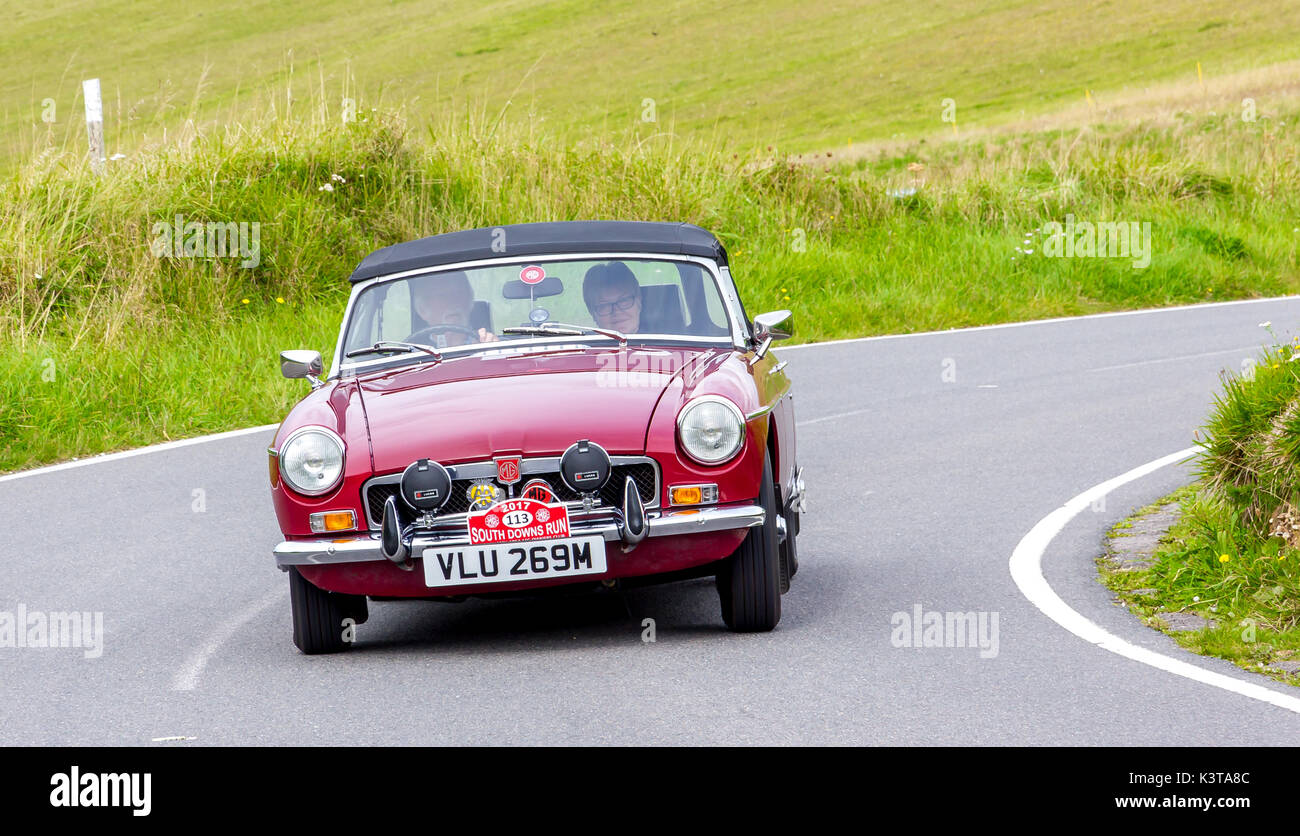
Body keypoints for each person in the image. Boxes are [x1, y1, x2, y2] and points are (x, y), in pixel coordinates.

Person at [409, 271, 497, 346]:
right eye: (442, 296)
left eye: (459, 293)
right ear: (422, 309)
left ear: (470, 301)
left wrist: (491, 349)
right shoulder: (413, 356)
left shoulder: (485, 343)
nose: (453, 301)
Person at [582, 262, 642, 334]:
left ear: (639, 301)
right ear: (592, 313)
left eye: (623, 301)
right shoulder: (578, 343)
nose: (616, 311)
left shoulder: (658, 337)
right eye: (604, 306)